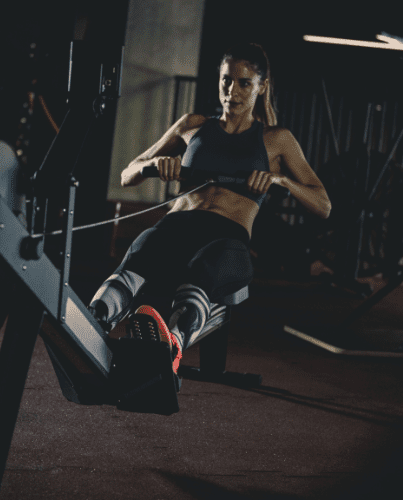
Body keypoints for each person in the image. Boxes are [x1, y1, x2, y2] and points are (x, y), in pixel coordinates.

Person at [89, 42, 331, 374]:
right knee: (142, 252)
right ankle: (94, 320)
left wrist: (281, 181)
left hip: (227, 237)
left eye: (244, 83)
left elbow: (324, 205)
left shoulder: (277, 139)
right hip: (177, 227)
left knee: (203, 272)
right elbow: (127, 173)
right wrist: (154, 165)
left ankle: (170, 347)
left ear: (261, 88)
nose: (232, 91)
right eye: (226, 80)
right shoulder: (193, 124)